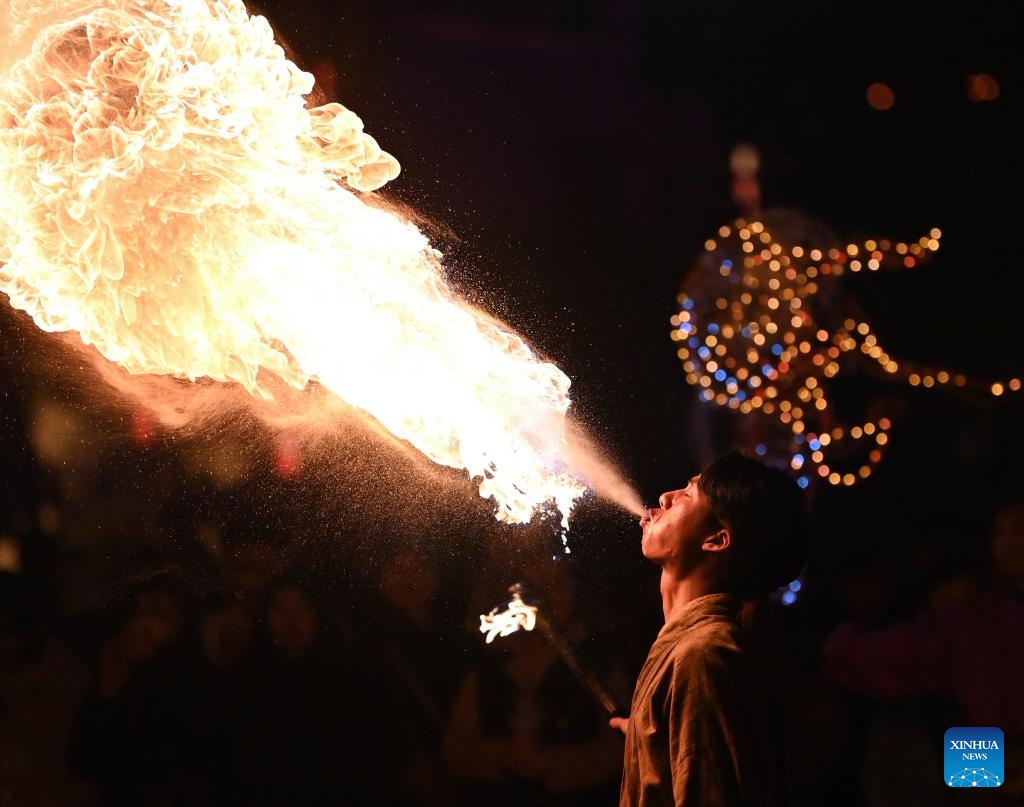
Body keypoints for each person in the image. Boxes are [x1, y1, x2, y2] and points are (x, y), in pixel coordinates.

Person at [611, 450, 811, 807]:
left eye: (686, 496)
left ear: (717, 539)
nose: (665, 497)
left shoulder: (703, 655)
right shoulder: (694, 648)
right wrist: (650, 738)